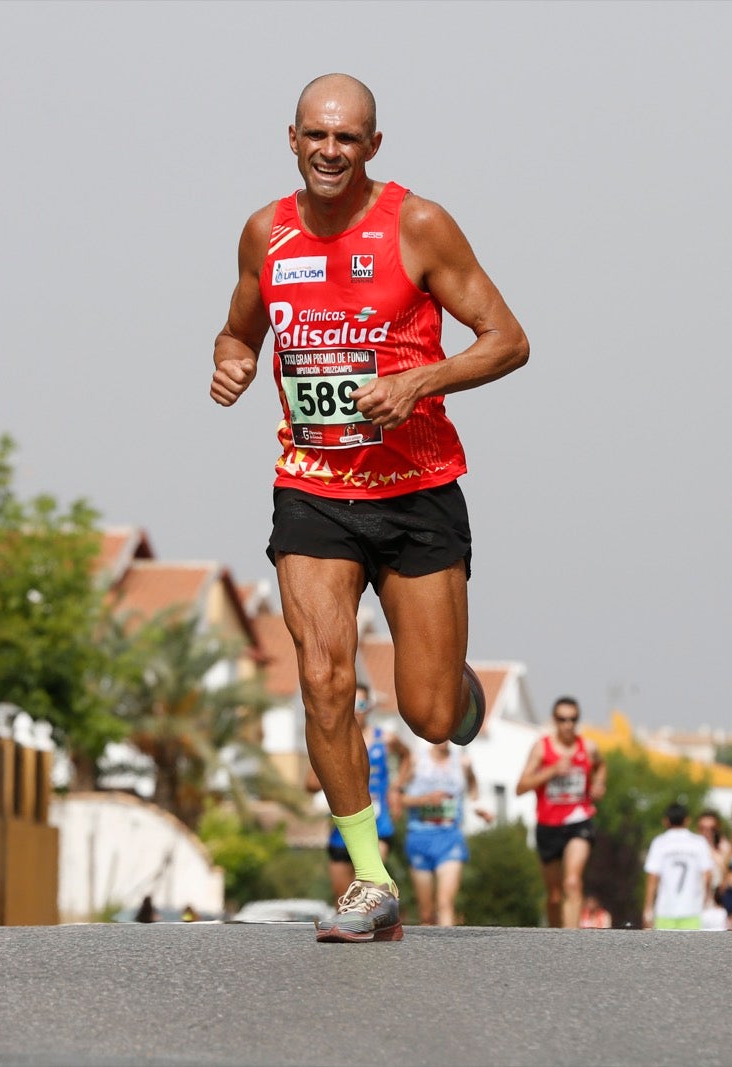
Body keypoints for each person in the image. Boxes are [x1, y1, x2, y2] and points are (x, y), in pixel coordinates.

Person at [211, 73, 529, 944]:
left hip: (417, 488)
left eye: (347, 138)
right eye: (316, 134)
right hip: (313, 488)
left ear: (373, 148)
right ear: (291, 137)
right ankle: (370, 879)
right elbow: (240, 330)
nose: (329, 150)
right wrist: (232, 360)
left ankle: (457, 692)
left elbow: (508, 340)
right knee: (324, 676)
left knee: (426, 712)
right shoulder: (265, 233)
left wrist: (419, 379)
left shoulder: (418, 225)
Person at [306, 683, 410, 900]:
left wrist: (397, 788)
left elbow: (407, 757)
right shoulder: (332, 745)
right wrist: (334, 779)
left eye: (361, 703)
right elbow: (310, 784)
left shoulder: (386, 739)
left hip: (379, 825)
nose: (356, 709)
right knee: (343, 898)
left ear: (370, 707)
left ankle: (377, 917)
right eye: (352, 703)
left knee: (370, 887)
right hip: (342, 831)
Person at [516, 696, 607, 929]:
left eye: (573, 719)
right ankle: (556, 940)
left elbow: (601, 765)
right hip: (548, 824)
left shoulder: (588, 747)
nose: (568, 724)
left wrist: (598, 784)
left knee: (573, 882)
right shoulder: (542, 748)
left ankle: (571, 942)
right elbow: (521, 787)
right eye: (562, 719)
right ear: (554, 720)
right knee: (555, 895)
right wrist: (552, 771)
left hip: (579, 820)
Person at [398, 741, 490, 926]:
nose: (443, 739)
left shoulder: (462, 762)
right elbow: (398, 796)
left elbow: (473, 789)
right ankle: (429, 954)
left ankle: (448, 953)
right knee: (426, 913)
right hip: (419, 838)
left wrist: (478, 807)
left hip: (449, 837)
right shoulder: (416, 760)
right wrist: (425, 799)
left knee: (445, 904)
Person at [643, 802, 717, 931]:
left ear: (666, 821)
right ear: (687, 820)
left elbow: (652, 877)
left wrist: (648, 907)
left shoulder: (660, 842)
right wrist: (705, 899)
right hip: (692, 908)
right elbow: (707, 875)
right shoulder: (698, 842)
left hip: (665, 909)